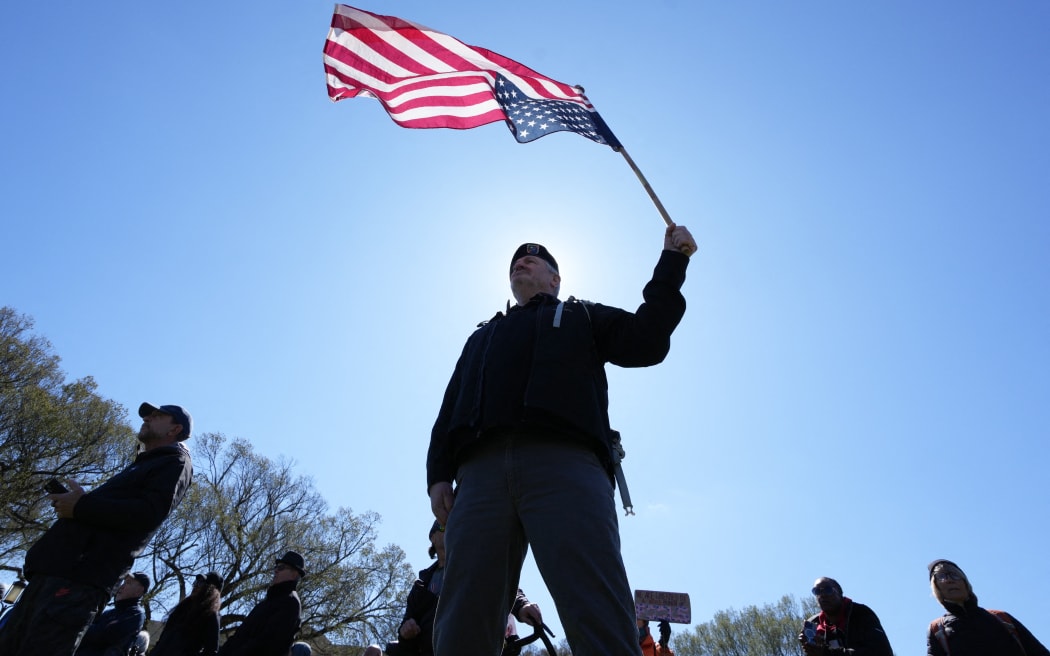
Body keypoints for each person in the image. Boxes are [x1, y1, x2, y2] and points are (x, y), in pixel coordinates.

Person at [427, 226, 698, 656]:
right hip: (479, 478)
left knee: (596, 604)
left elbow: (647, 340)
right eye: (516, 260)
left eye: (535, 259)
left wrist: (672, 263)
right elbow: (449, 409)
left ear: (556, 279)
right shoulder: (481, 336)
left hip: (566, 465)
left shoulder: (581, 316)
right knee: (464, 612)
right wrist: (438, 475)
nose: (522, 261)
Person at [0, 402, 194, 655]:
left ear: (175, 429)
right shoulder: (146, 463)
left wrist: (81, 507)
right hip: (57, 571)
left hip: (80, 578)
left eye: (157, 416)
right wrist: (79, 505)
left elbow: (146, 514)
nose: (147, 418)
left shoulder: (175, 463)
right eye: (147, 414)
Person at [364, 521, 543, 656]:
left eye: (455, 524)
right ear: (432, 538)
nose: (451, 529)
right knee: (374, 651)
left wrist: (523, 606)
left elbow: (503, 584)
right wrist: (406, 632)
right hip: (430, 650)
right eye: (444, 527)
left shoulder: (476, 566)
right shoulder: (421, 585)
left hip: (474, 645)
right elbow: (406, 633)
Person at [926, 559, 1048, 656]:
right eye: (941, 577)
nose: (949, 580)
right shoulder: (937, 630)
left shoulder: (1001, 618)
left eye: (954, 575)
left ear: (965, 582)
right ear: (936, 588)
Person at [218, 551, 305, 656]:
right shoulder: (267, 601)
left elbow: (267, 642)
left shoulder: (291, 603)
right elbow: (240, 634)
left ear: (294, 574)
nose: (276, 570)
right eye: (276, 567)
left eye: (281, 567)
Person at [798, 577, 893, 656]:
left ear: (839, 593)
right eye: (817, 591)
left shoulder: (861, 613)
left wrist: (826, 653)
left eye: (828, 590)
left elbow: (881, 651)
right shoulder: (815, 623)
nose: (822, 595)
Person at [74, 571, 150, 656]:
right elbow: (86, 631)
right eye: (123, 582)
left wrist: (86, 628)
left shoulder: (136, 614)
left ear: (139, 590)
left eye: (128, 583)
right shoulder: (108, 612)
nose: (122, 586)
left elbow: (105, 635)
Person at [150, 571, 224, 656]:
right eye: (196, 582)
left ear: (211, 590)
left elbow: (211, 651)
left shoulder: (210, 615)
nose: (195, 586)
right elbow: (162, 640)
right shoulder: (181, 609)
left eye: (201, 583)